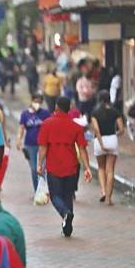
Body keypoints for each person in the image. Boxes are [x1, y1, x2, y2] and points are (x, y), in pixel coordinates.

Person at [38, 97, 92, 237]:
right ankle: (67, 227)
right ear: (69, 108)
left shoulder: (47, 124)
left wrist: (39, 165)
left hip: (54, 166)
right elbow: (82, 149)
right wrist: (87, 168)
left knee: (55, 195)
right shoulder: (76, 127)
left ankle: (65, 214)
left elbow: (43, 147)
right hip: (72, 167)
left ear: (56, 107)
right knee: (68, 196)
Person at [91, 90, 124, 205]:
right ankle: (109, 199)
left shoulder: (95, 113)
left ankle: (104, 192)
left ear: (99, 99)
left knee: (101, 168)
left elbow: (96, 130)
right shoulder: (115, 112)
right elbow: (122, 129)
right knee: (110, 170)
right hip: (112, 140)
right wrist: (115, 135)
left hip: (99, 142)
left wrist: (101, 143)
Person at [16, 94, 51, 192]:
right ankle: (37, 190)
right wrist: (19, 139)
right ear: (31, 101)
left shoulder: (45, 113)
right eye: (35, 101)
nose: (37, 103)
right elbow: (21, 128)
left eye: (39, 102)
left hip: (43, 145)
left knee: (42, 167)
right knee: (34, 168)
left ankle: (44, 189)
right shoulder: (25, 114)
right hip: (30, 144)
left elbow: (50, 126)